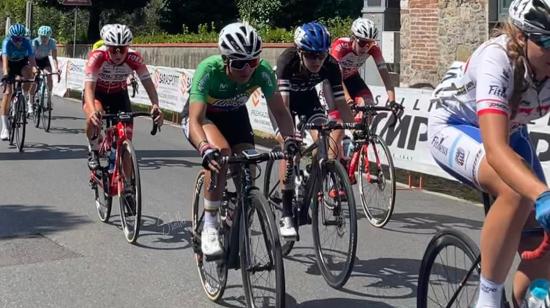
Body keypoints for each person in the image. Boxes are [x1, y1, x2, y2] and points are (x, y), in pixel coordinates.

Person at [428, 0, 550, 306]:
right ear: (521, 37)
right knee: (516, 188)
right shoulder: (498, 58)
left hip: (512, 131)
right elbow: (495, 150)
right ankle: (488, 299)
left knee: (544, 240)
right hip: (454, 125)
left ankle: (530, 301)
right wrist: (542, 195)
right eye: (549, 42)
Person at [182, 22, 297, 256]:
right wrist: (204, 147)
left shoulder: (262, 71)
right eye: (238, 63)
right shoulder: (209, 70)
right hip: (205, 117)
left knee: (249, 165)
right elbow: (195, 119)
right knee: (221, 153)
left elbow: (280, 112)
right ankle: (211, 226)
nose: (247, 70)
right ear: (225, 60)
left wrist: (290, 139)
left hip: (236, 116)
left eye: (252, 61)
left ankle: (237, 206)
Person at [274, 21, 355, 238]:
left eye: (321, 55)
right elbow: (284, 106)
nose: (317, 61)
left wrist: (354, 131)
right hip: (284, 102)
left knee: (324, 138)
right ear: (300, 52)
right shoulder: (286, 61)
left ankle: (312, 173)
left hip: (308, 100)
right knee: (289, 149)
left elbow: (340, 103)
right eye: (311, 56)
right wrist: (292, 135)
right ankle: (287, 211)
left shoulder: (330, 65)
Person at [83, 24, 163, 169]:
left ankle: (127, 189)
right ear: (107, 47)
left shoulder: (134, 58)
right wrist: (91, 110)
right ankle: (93, 149)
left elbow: (148, 84)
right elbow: (89, 88)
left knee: (125, 138)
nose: (118, 55)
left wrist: (155, 105)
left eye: (122, 49)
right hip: (97, 93)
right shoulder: (97, 57)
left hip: (119, 94)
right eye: (114, 50)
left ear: (128, 48)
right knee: (94, 115)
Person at [330, 17, 398, 121]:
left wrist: (392, 101)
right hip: (334, 81)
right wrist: (349, 101)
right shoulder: (340, 46)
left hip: (352, 78)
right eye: (362, 43)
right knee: (338, 119)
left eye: (369, 43)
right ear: (353, 38)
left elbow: (385, 75)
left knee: (368, 107)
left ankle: (362, 135)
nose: (366, 48)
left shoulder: (374, 48)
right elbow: (335, 76)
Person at [0, 23, 37, 140]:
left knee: (30, 73)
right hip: (9, 64)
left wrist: (36, 71)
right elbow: (5, 63)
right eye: (16, 39)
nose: (18, 41)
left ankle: (23, 97)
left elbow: (32, 61)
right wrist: (6, 75)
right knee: (7, 93)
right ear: (11, 37)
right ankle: (5, 128)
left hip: (21, 62)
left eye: (21, 38)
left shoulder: (27, 42)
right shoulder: (7, 42)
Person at [29, 25, 60, 113]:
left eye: (45, 37)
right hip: (35, 60)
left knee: (49, 76)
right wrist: (35, 67)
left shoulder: (52, 42)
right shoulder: (35, 42)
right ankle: (30, 103)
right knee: (34, 80)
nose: (43, 39)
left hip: (44, 60)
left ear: (49, 37)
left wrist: (56, 69)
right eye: (41, 37)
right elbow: (31, 56)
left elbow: (54, 58)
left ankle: (49, 99)